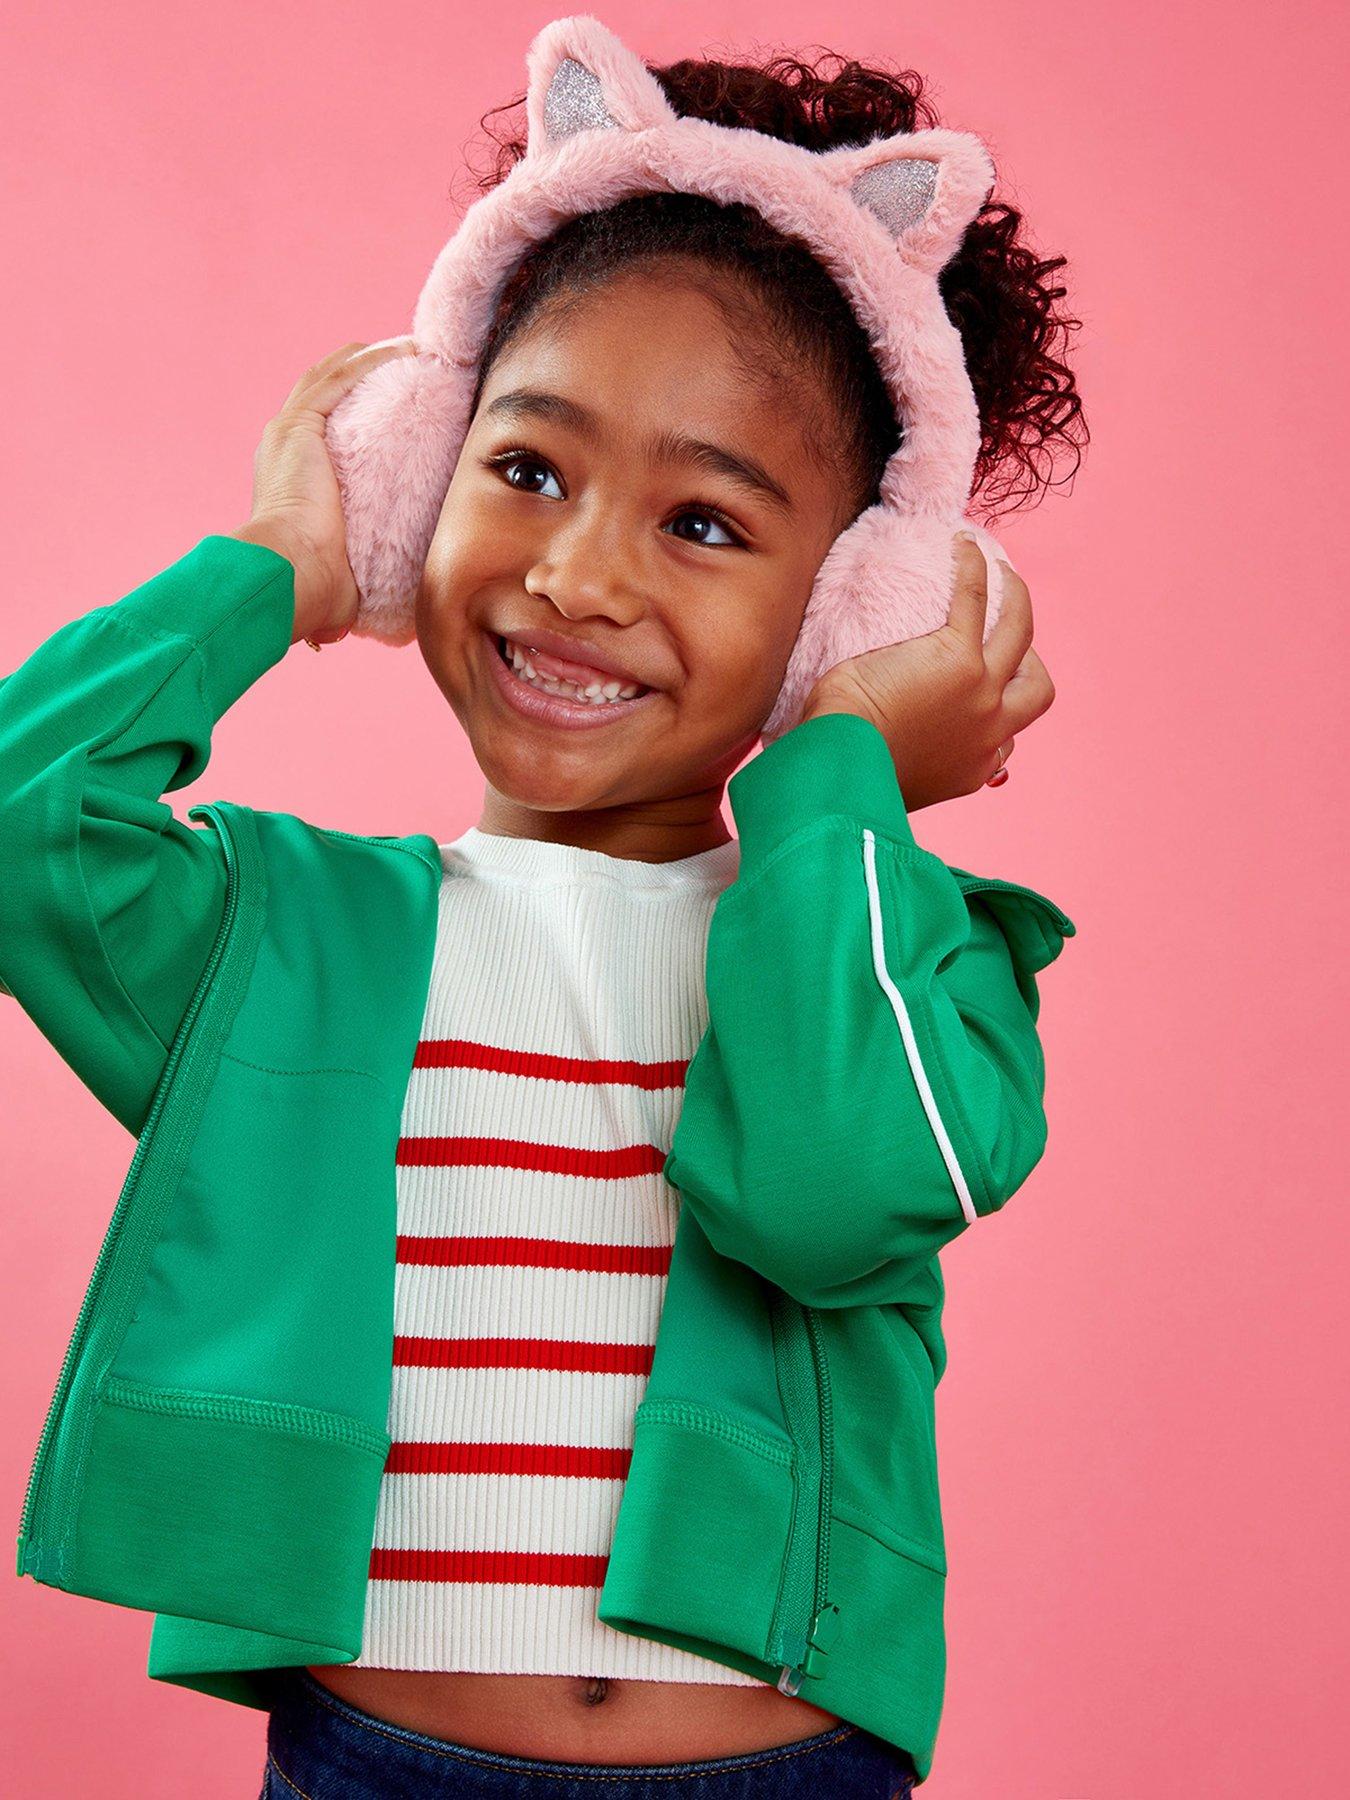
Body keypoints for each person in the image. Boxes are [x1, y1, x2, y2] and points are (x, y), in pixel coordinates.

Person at [4, 18, 1083, 1798]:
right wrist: (279, 567)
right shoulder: (287, 943)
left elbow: (824, 1201)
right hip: (374, 1759)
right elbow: (19, 818)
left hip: (774, 1775)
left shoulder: (911, 954)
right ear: (422, 468)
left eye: (709, 525)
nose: (578, 576)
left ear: (853, 608)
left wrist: (838, 780)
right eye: (521, 468)